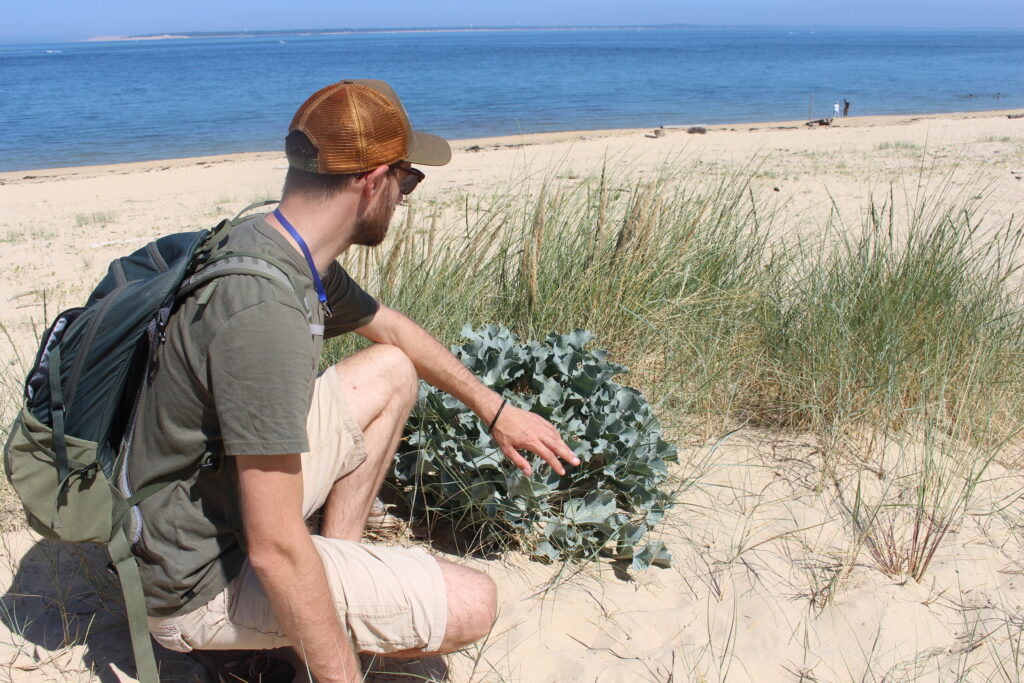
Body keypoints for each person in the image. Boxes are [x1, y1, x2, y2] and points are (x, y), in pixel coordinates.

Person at [130, 78, 580, 682]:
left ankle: (337, 570)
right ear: (373, 182)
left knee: (392, 369)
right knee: (475, 604)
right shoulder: (265, 314)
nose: (404, 197)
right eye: (408, 180)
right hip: (196, 582)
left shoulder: (271, 245)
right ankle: (277, 638)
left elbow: (394, 332)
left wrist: (494, 409)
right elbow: (274, 547)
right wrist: (339, 671)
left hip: (192, 505)